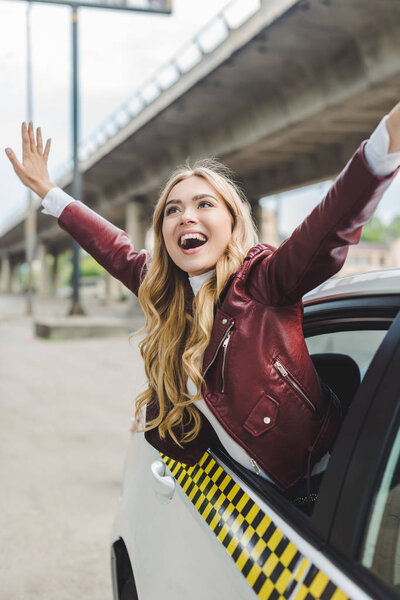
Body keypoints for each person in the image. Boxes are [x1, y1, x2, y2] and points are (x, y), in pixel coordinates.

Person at [5, 104, 400, 509]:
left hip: (319, 495)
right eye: (172, 210)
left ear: (232, 221)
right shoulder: (168, 290)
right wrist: (48, 192)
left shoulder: (262, 284)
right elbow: (114, 249)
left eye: (204, 204)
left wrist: (383, 146)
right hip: (243, 499)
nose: (185, 217)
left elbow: (327, 227)